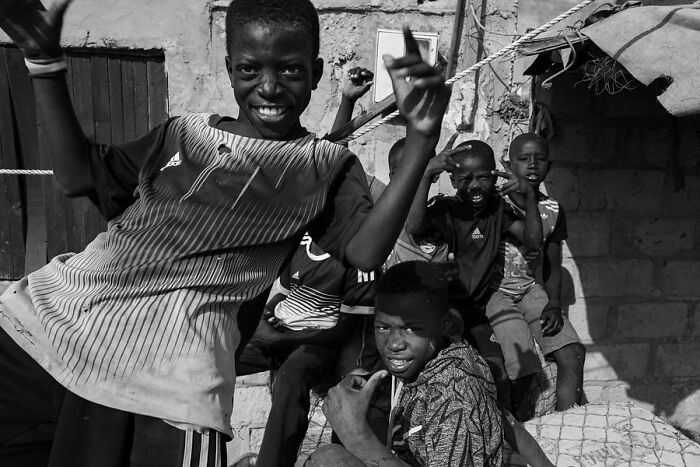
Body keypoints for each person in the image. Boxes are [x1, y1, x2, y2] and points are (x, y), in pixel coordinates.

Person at [0, 0, 452, 464]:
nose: (270, 87)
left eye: (291, 70)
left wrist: (420, 140)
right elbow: (79, 177)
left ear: (316, 72)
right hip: (44, 330)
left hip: (170, 387)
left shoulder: (323, 165)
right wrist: (44, 65)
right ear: (229, 70)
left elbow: (365, 251)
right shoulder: (180, 134)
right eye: (250, 69)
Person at [307, 261, 554, 466]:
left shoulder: (454, 394)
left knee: (329, 459)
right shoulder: (448, 350)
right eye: (383, 327)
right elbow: (504, 418)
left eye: (411, 328)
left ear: (443, 324)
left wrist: (358, 437)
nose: (394, 344)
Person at [404, 139, 543, 414]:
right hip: (448, 309)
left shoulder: (497, 209)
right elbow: (414, 225)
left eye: (483, 177)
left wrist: (529, 196)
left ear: (495, 175)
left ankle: (504, 438)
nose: (475, 186)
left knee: (498, 371)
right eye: (465, 179)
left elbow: (533, 240)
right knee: (454, 371)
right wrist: (426, 175)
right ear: (453, 181)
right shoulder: (447, 211)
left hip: (478, 311)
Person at [235, 233, 378, 466]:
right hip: (280, 331)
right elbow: (283, 293)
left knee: (291, 376)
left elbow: (345, 329)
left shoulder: (357, 255)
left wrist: (277, 339)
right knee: (217, 358)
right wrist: (262, 321)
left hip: (318, 341)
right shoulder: (302, 243)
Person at [487, 133, 586, 412]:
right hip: (496, 292)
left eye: (540, 159)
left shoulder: (553, 209)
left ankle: (568, 428)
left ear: (549, 166)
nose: (532, 165)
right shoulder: (496, 204)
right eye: (523, 159)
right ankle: (518, 433)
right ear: (508, 164)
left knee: (573, 353)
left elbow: (552, 262)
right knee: (523, 364)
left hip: (530, 289)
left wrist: (554, 303)